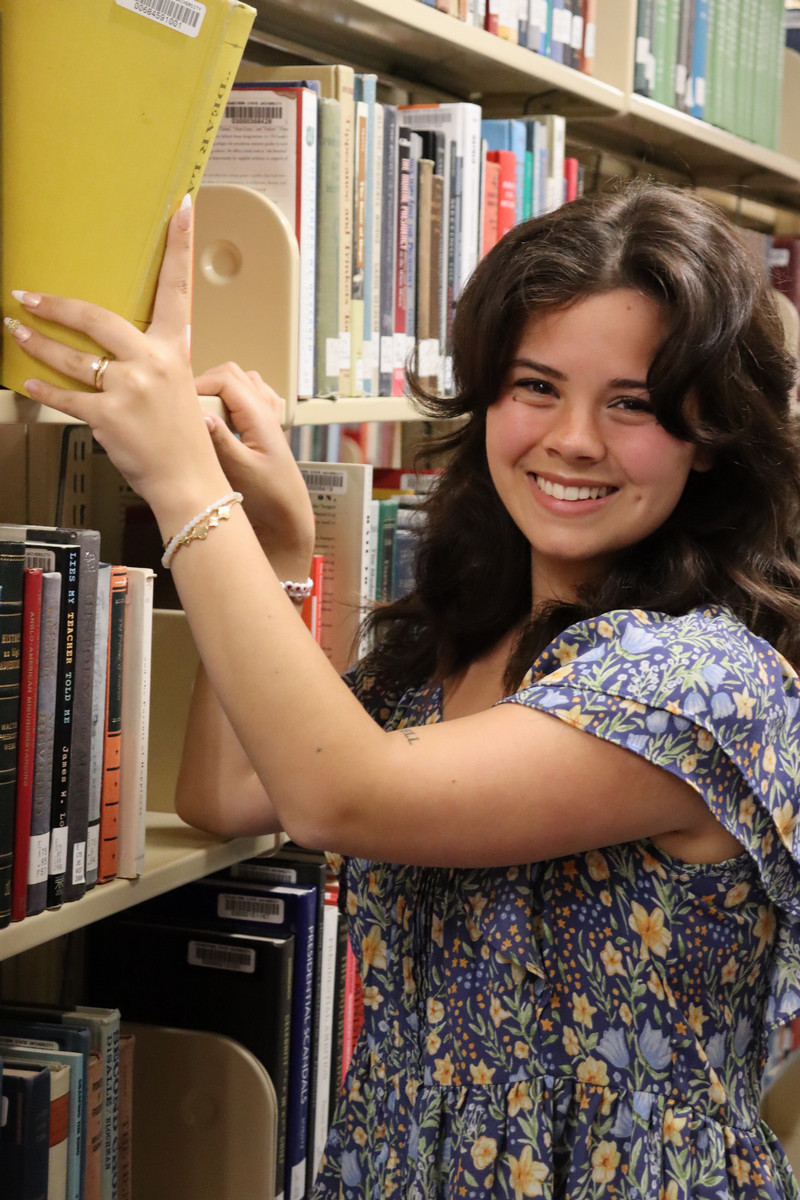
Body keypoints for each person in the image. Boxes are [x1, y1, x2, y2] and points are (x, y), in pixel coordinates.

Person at [8, 179, 800, 1200]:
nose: (571, 439)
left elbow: (340, 797)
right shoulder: (468, 632)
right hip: (400, 1160)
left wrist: (182, 487)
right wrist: (278, 548)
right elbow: (229, 794)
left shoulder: (698, 680)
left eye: (631, 405)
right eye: (533, 386)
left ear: (711, 438)